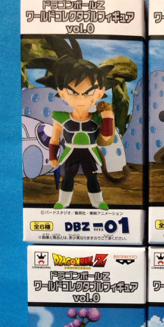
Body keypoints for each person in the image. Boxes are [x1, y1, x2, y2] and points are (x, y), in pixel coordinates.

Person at [31, 36, 117, 209]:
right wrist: (52, 156)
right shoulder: (61, 117)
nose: (80, 99)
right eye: (73, 93)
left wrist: (108, 118)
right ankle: (63, 201)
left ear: (100, 93)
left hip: (90, 152)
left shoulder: (97, 117)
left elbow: (107, 137)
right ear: (62, 92)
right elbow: (54, 139)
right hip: (70, 152)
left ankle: (98, 201)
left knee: (92, 177)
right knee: (68, 177)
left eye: (88, 93)